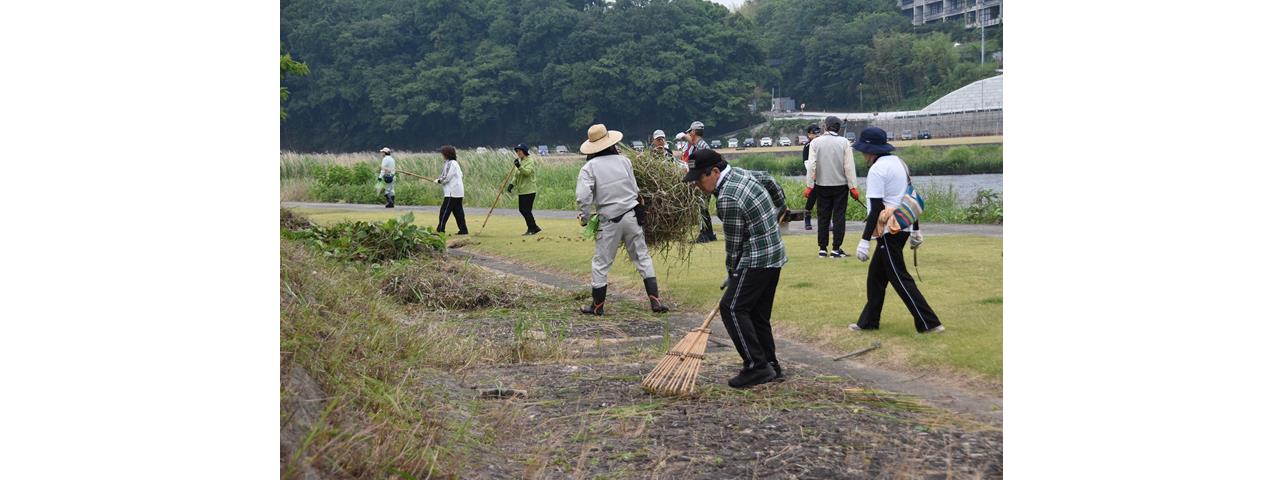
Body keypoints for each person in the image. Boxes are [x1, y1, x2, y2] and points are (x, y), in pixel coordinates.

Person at [684, 149, 788, 388]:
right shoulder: (742, 174)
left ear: (715, 172)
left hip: (757, 258)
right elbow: (769, 179)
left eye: (700, 178)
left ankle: (756, 367)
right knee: (757, 313)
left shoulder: (727, 198)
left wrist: (733, 274)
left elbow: (734, 246)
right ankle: (772, 365)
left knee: (731, 308)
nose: (698, 185)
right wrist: (780, 208)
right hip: (774, 254)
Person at [848, 127, 943, 334]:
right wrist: (915, 229)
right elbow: (910, 198)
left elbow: (876, 210)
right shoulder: (899, 163)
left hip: (889, 232)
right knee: (876, 278)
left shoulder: (877, 170)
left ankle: (930, 323)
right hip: (903, 226)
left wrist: (864, 241)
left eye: (863, 150)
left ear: (870, 151)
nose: (862, 154)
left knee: (900, 278)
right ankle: (868, 322)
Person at [575, 123, 669, 315]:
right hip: (632, 216)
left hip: (609, 220)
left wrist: (584, 218)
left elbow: (583, 197)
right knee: (642, 256)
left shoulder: (589, 167)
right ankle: (655, 301)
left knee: (601, 262)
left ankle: (597, 306)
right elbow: (635, 190)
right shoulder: (624, 161)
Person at [806, 116, 860, 258]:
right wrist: (853, 187)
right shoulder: (844, 142)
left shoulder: (815, 143)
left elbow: (812, 165)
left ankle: (822, 248)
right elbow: (848, 166)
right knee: (839, 217)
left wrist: (809, 185)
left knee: (823, 217)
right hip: (841, 186)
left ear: (825, 126)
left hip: (821, 185)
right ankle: (836, 248)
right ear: (839, 128)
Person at [680, 121, 717, 243]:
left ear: (694, 132)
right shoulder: (699, 145)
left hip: (705, 181)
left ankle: (703, 235)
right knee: (704, 208)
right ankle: (710, 233)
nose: (689, 134)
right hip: (705, 181)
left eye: (690, 131)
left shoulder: (700, 146)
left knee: (701, 207)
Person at [508, 143, 541, 235]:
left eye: (519, 151)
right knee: (522, 210)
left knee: (526, 210)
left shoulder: (530, 161)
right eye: (517, 151)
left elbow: (527, 172)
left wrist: (519, 166)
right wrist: (511, 184)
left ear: (524, 151)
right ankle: (534, 227)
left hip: (530, 189)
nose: (518, 153)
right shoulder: (520, 161)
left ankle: (532, 228)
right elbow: (516, 175)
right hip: (521, 190)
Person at [434, 145, 469, 235]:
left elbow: (447, 177)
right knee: (458, 212)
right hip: (457, 192)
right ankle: (463, 230)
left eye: (443, 153)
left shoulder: (451, 163)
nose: (441, 155)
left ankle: (440, 230)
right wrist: (439, 180)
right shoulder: (450, 163)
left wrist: (439, 181)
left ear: (447, 154)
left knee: (444, 211)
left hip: (452, 192)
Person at [800, 124, 822, 230]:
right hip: (813, 176)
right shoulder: (808, 146)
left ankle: (827, 222)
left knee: (825, 200)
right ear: (809, 135)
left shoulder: (822, 144)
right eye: (814, 133)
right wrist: (813, 175)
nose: (817, 135)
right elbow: (807, 163)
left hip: (824, 176)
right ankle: (807, 219)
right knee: (812, 199)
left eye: (818, 133)